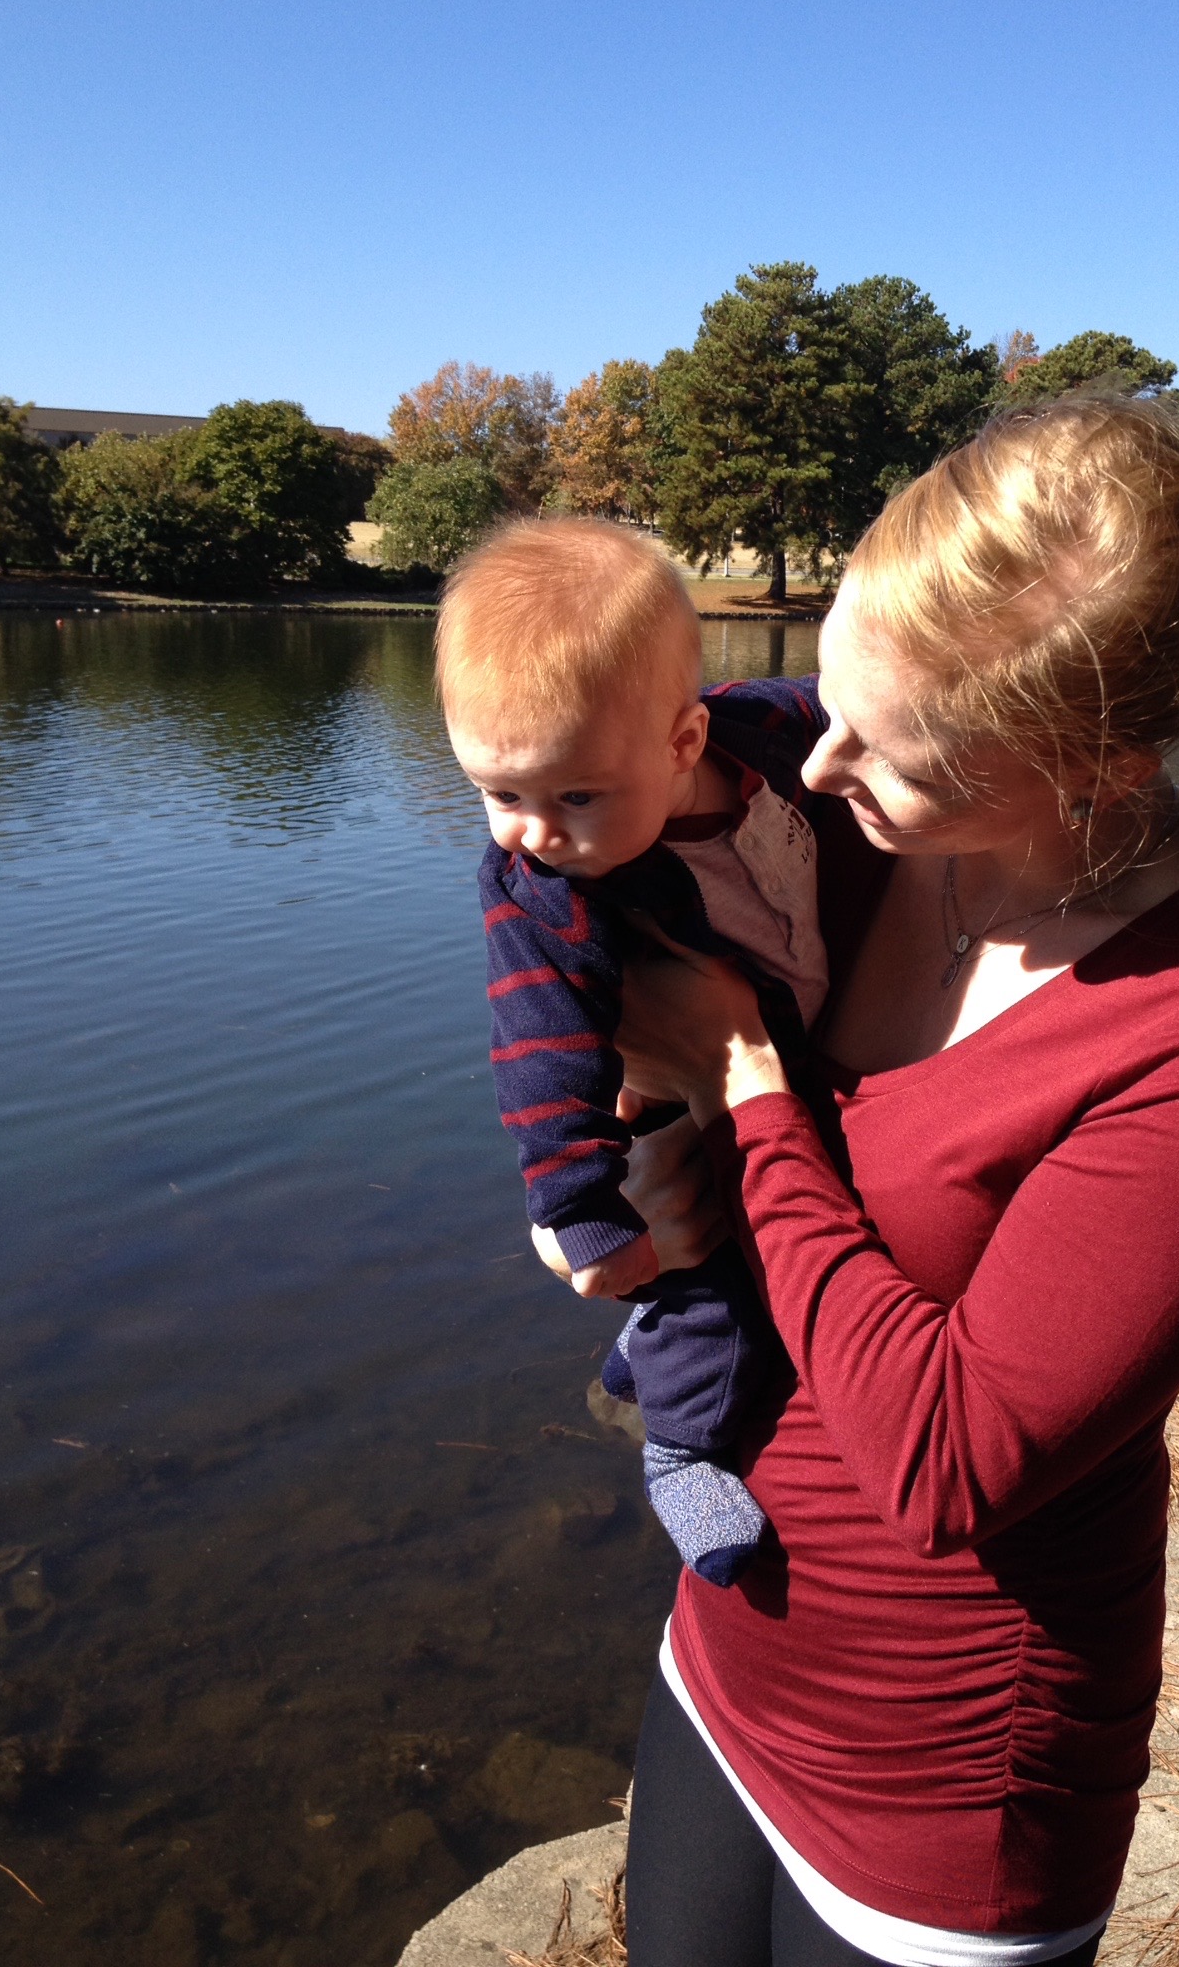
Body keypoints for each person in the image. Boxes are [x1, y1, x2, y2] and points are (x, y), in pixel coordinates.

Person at [595, 399, 1179, 1967]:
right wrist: (621, 1162)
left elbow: (949, 1457)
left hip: (945, 1771)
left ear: (1097, 768)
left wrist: (749, 1093)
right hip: (728, 1652)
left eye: (885, 751)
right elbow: (586, 882)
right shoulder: (840, 827)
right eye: (829, 693)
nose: (817, 763)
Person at [437, 518, 834, 1587]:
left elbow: (829, 696)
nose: (530, 830)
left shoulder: (760, 733)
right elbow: (539, 1047)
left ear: (684, 743)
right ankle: (682, 1445)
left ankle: (639, 1356)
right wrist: (580, 1206)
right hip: (659, 1108)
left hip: (781, 1055)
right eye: (499, 792)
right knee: (714, 1283)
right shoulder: (547, 889)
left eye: (573, 795)